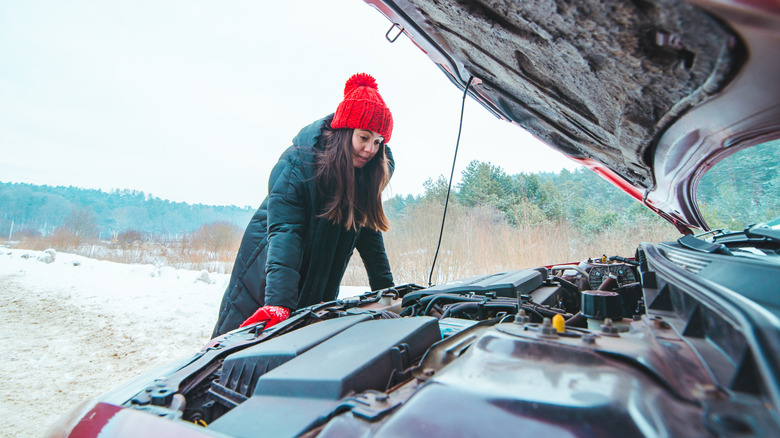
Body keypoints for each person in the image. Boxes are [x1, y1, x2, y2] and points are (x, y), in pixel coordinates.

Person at [211, 73, 395, 338]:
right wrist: (277, 302)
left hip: (319, 272)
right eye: (364, 137)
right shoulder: (299, 164)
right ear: (345, 132)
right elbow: (286, 231)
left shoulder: (365, 174)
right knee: (239, 347)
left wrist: (386, 289)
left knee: (299, 343)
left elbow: (367, 233)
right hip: (268, 273)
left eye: (378, 142)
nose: (370, 149)